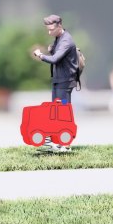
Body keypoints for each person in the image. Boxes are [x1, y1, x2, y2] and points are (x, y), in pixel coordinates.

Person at [31, 14, 79, 151]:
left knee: (64, 111)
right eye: (48, 29)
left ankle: (66, 144)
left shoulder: (66, 41)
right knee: (56, 110)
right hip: (58, 80)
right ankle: (58, 141)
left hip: (65, 82)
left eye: (51, 29)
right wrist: (51, 49)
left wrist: (40, 55)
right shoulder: (59, 38)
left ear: (59, 26)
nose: (49, 32)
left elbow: (55, 59)